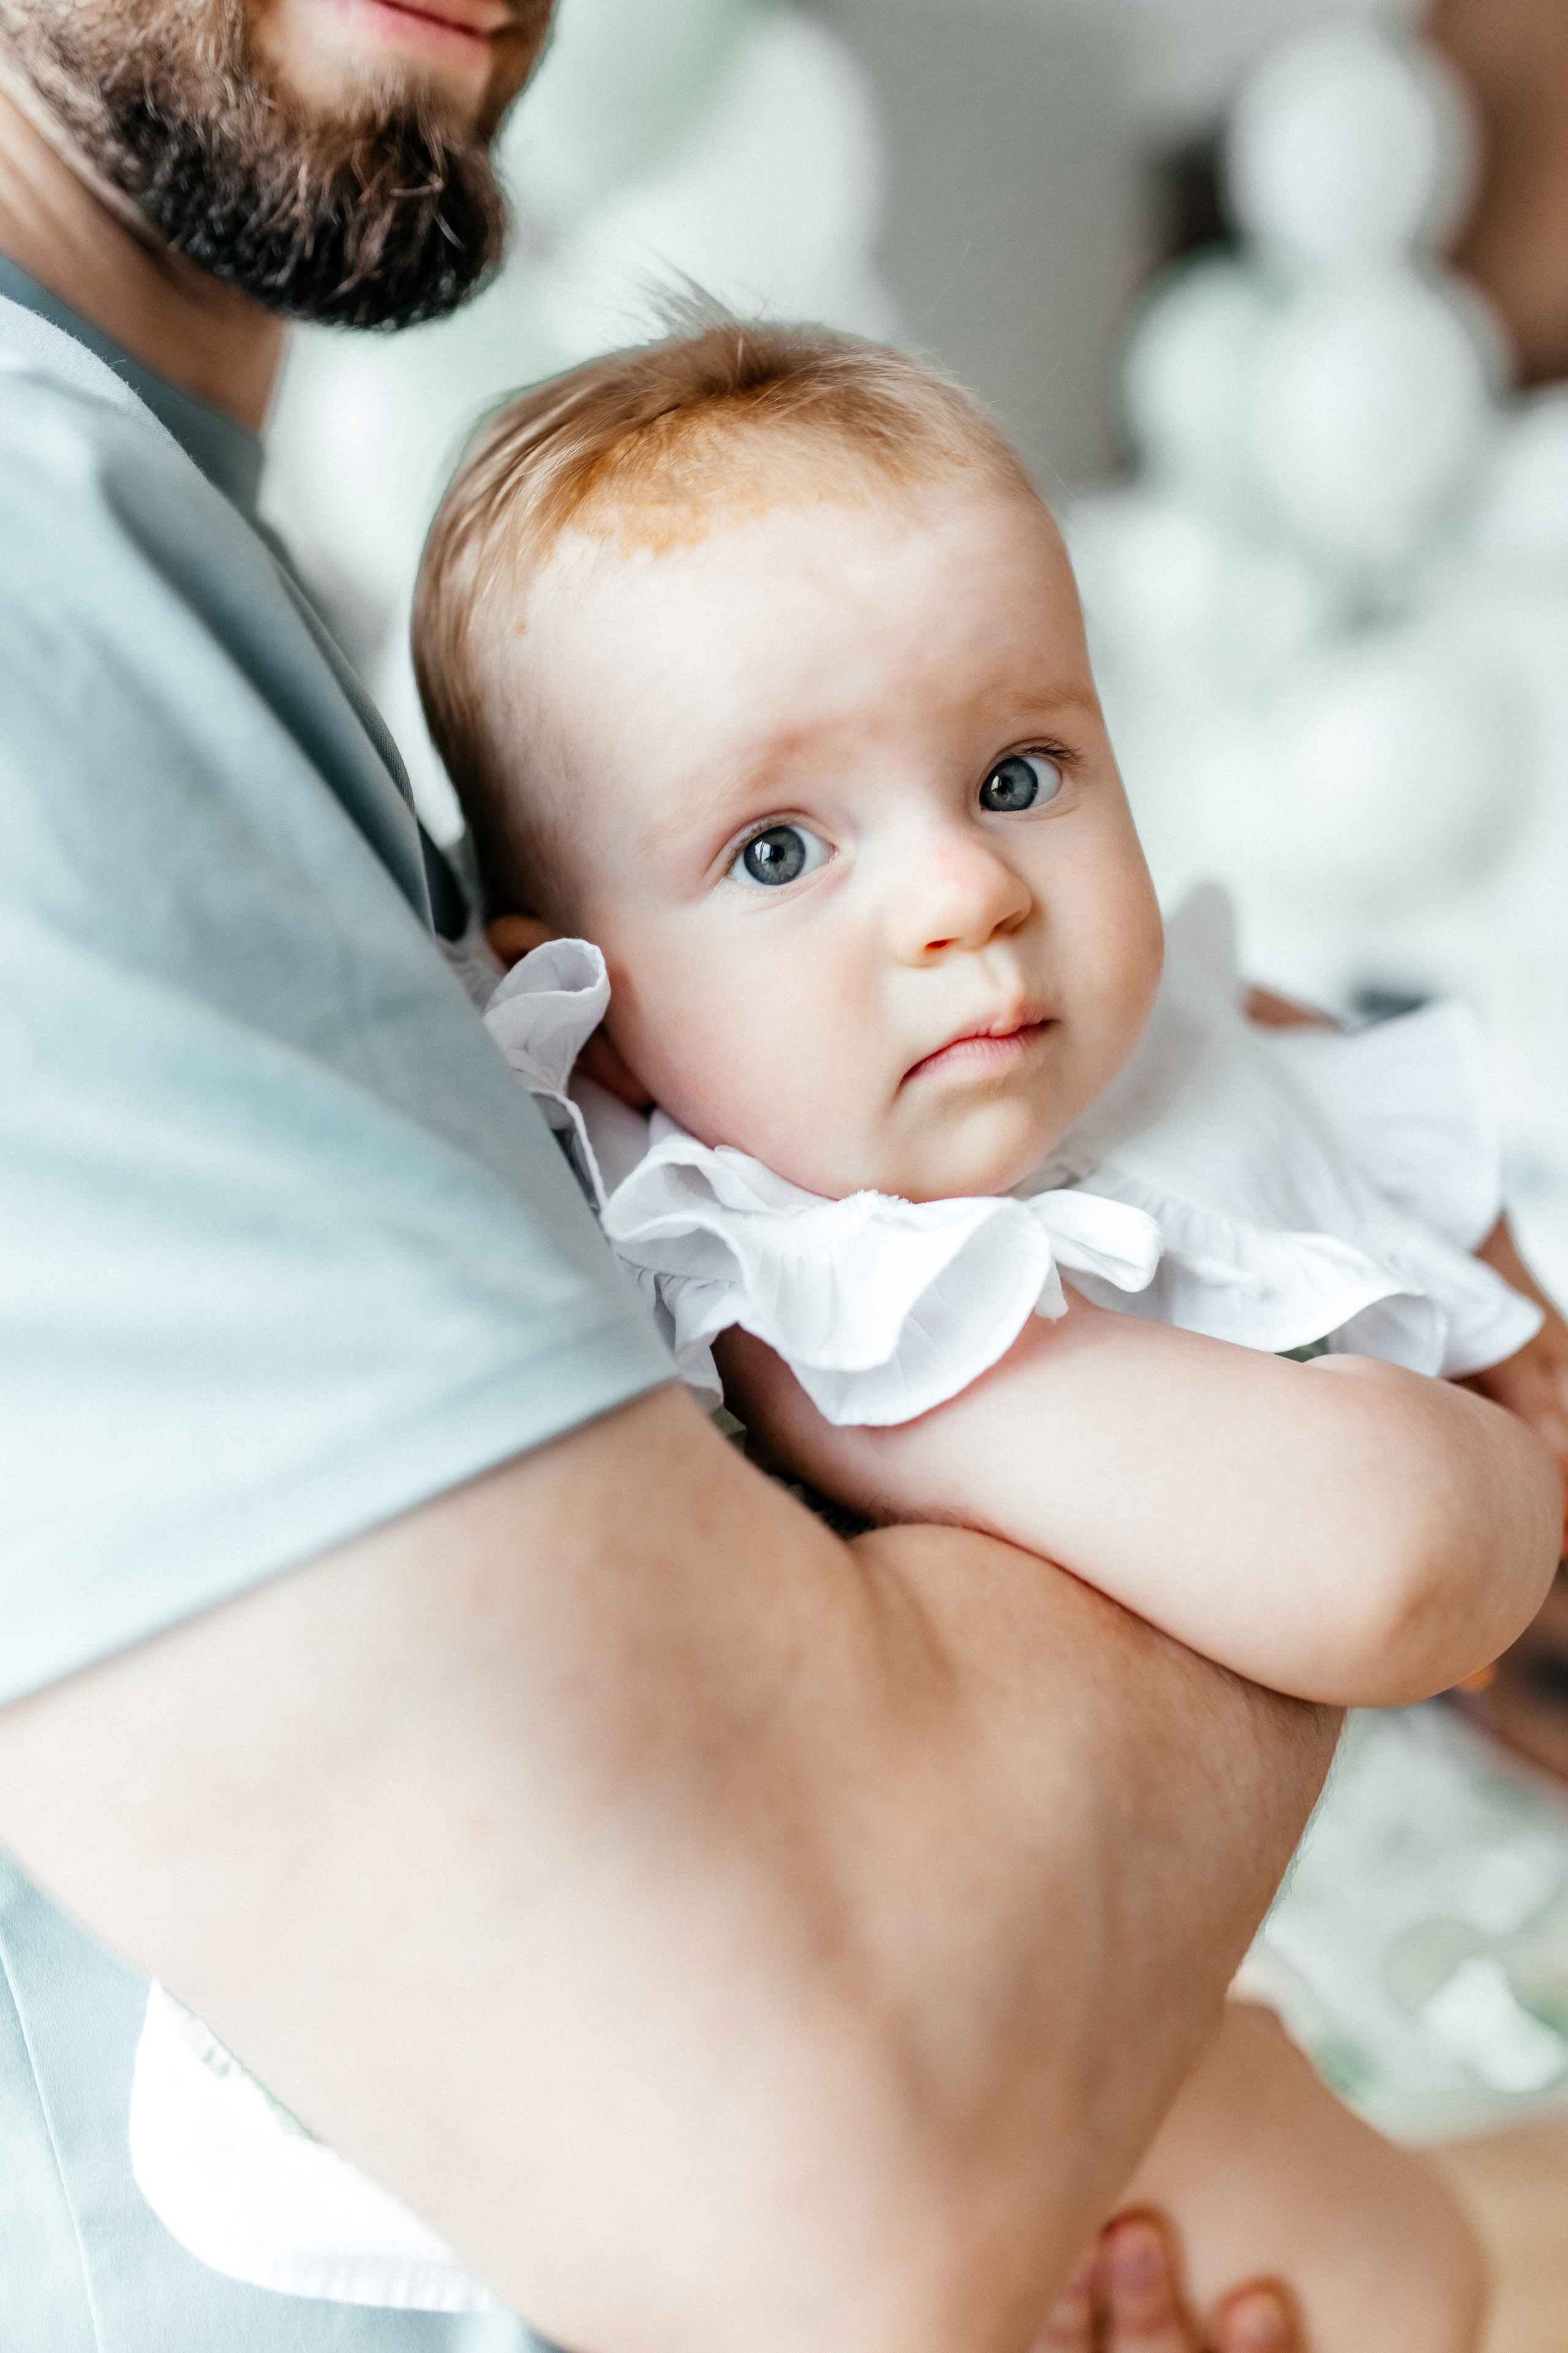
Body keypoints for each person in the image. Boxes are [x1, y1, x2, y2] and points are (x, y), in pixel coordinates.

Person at [0, 4, 1435, 2349]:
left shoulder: (165, 542)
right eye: (780, 845)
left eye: (1023, 775)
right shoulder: (33, 614)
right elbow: (833, 2181)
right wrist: (1316, 1306)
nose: (960, 898)